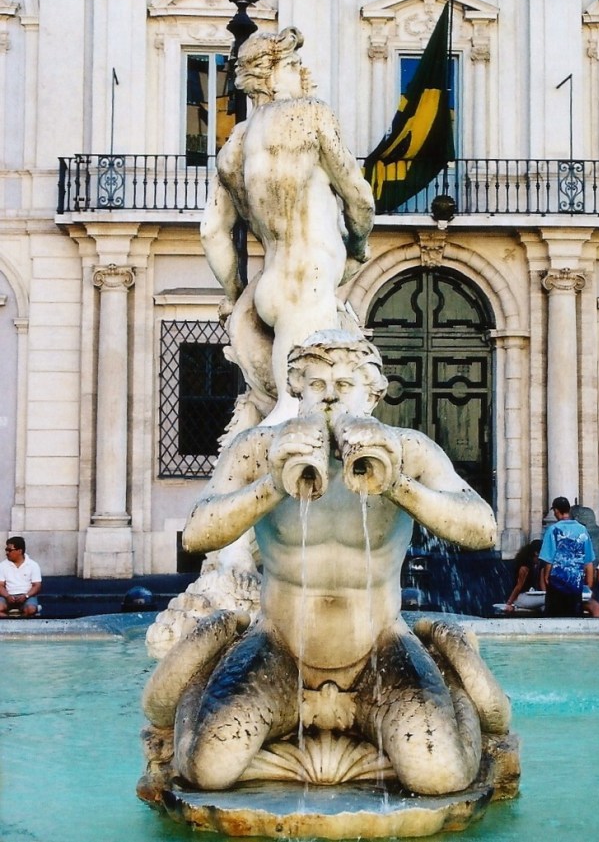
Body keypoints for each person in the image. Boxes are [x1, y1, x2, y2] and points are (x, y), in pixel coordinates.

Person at [155, 331, 507, 796]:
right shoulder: (258, 448)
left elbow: (482, 528)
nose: (332, 397)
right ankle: (211, 679)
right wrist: (275, 484)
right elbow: (200, 533)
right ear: (297, 390)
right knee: (208, 771)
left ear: (374, 394)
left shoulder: (409, 448)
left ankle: (445, 681)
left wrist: (396, 483)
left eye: (345, 385)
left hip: (379, 651)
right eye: (317, 385)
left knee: (440, 775)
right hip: (279, 648)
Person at [200, 27, 375, 424]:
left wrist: (237, 294)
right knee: (300, 418)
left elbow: (212, 232)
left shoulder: (236, 144)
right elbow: (359, 196)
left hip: (270, 287)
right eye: (294, 64)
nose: (303, 71)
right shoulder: (311, 114)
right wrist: (359, 246)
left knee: (291, 416)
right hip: (309, 280)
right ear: (271, 73)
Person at [540, 497, 595, 617]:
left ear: (556, 511)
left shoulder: (553, 530)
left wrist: (546, 577)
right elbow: (588, 559)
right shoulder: (582, 529)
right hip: (576, 581)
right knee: (574, 615)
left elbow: (549, 558)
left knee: (555, 615)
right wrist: (589, 581)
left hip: (557, 580)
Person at [0, 536, 42, 618]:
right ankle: (13, 618)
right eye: (6, 550)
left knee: (30, 610)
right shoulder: (2, 565)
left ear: (19, 551)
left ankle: (15, 616)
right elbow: (0, 585)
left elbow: (37, 586)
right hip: (8, 596)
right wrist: (7, 596)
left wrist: (25, 596)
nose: (7, 553)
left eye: (9, 550)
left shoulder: (33, 565)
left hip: (26, 596)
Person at [504, 539, 544, 612]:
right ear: (536, 553)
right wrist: (509, 603)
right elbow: (518, 586)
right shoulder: (525, 567)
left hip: (530, 595)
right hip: (521, 597)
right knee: (547, 599)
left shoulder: (538, 565)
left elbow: (542, 583)